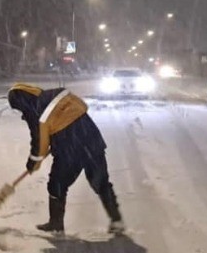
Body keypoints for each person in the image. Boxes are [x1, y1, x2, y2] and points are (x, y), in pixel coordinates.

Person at [7, 83, 123, 236]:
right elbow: (83, 107)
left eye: (19, 108)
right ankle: (116, 220)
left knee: (57, 184)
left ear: (21, 102)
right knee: (100, 182)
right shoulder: (58, 94)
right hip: (92, 140)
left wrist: (33, 163)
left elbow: (39, 143)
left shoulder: (35, 113)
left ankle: (56, 224)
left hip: (69, 150)